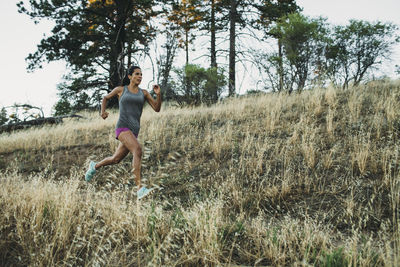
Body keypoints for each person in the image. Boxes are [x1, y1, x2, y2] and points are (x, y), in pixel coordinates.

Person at [85, 65, 162, 200]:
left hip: (134, 131)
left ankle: (94, 166)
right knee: (137, 150)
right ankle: (139, 189)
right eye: (137, 74)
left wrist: (158, 95)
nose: (140, 76)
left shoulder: (143, 93)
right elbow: (105, 98)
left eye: (141, 74)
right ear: (130, 76)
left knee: (116, 159)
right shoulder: (121, 90)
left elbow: (157, 108)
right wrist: (102, 112)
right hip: (122, 128)